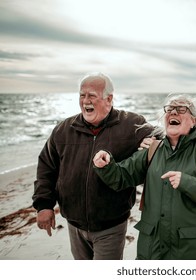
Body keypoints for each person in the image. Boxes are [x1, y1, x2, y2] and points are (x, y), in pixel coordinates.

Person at [32, 72, 158, 260]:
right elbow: (46, 167)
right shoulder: (64, 129)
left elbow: (169, 135)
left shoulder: (132, 124)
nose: (85, 101)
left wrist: (155, 142)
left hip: (111, 225)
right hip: (74, 225)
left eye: (92, 95)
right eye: (82, 95)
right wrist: (44, 205)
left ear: (109, 99)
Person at [93, 94, 196, 260]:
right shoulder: (152, 150)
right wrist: (105, 164)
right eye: (170, 109)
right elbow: (121, 177)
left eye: (181, 109)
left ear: (194, 121)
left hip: (191, 251)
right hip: (153, 249)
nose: (173, 112)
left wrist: (187, 182)